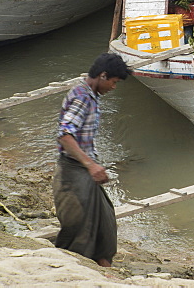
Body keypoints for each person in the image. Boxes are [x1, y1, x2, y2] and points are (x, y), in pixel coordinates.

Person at [54, 53, 130, 267]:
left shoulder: (91, 95)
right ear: (103, 76)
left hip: (85, 170)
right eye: (114, 82)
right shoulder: (82, 97)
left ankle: (104, 265)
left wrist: (93, 164)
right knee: (79, 228)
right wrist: (90, 164)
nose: (114, 87)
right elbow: (64, 134)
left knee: (104, 220)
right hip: (73, 170)